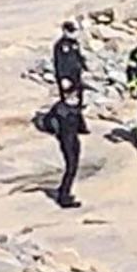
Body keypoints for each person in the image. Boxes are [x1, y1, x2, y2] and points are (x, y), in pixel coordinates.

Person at [45, 79, 88, 208]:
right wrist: (57, 132)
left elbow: (80, 121)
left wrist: (83, 129)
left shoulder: (74, 106)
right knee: (71, 168)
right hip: (66, 140)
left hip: (73, 138)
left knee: (74, 166)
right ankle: (64, 197)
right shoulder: (61, 108)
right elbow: (48, 122)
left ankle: (64, 191)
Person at [53, 21, 87, 106]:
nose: (74, 34)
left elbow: (78, 57)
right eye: (71, 31)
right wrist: (62, 78)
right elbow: (59, 63)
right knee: (68, 100)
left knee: (78, 99)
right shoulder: (60, 45)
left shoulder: (75, 43)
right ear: (65, 31)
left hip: (76, 75)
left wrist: (84, 68)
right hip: (66, 77)